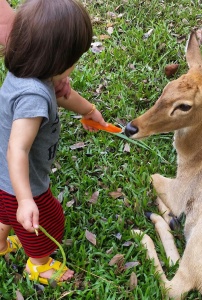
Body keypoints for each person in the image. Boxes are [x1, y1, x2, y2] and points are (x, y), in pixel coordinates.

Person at [0, 0, 107, 284]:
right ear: (58, 61)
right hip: (20, 181)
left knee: (5, 212)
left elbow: (62, 94)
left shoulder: (30, 71)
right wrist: (25, 200)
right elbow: (17, 149)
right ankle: (38, 265)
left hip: (2, 177)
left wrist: (89, 111)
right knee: (47, 220)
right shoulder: (33, 97)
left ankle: (0, 243)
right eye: (75, 60)